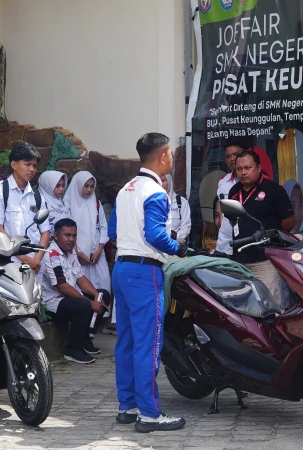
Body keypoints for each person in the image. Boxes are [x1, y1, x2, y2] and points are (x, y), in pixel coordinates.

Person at [112, 132, 187, 433]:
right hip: (145, 273)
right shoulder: (156, 192)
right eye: (171, 154)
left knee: (126, 342)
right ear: (163, 156)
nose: (172, 159)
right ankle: (150, 414)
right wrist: (178, 248)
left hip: (121, 269)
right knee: (148, 345)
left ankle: (127, 406)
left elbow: (114, 231)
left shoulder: (125, 190)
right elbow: (155, 235)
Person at [41, 218, 112, 364]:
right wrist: (90, 302)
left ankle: (85, 341)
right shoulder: (51, 254)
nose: (71, 239)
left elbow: (80, 278)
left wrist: (96, 295)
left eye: (74, 235)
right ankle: (73, 350)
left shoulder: (71, 252)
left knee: (104, 294)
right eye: (67, 235)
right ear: (56, 236)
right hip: (54, 303)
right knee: (84, 305)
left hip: (70, 298)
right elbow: (62, 286)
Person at [228, 150, 294, 301]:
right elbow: (233, 220)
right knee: (246, 305)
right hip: (240, 260)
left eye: (248, 168)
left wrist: (272, 239)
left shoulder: (274, 190)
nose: (243, 172)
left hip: (265, 260)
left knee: (270, 303)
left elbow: (289, 222)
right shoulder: (233, 191)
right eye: (239, 169)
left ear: (258, 168)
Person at [0, 141, 50, 271]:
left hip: (36, 266)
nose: (32, 169)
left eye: (34, 165)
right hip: (10, 263)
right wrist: (25, 259)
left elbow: (45, 232)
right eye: (27, 164)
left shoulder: (37, 196)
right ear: (14, 164)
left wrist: (36, 260)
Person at [64, 171, 111, 330]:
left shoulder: (96, 203)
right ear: (78, 185)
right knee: (81, 289)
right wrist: (77, 252)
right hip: (76, 255)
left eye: (92, 186)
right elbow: (65, 230)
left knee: (103, 284)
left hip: (96, 254)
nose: (89, 190)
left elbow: (103, 227)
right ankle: (83, 325)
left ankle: (97, 323)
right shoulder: (68, 203)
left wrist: (99, 249)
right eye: (86, 186)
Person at [216, 140, 247, 255]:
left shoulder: (256, 181)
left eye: (235, 154)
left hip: (249, 241)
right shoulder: (223, 182)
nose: (232, 159)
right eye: (228, 156)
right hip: (226, 241)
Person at [38, 170, 71, 235]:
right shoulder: (41, 204)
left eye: (63, 185)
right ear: (47, 186)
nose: (61, 189)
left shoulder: (64, 203)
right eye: (57, 186)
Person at [161, 174, 191, 243]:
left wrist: (172, 241)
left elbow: (186, 227)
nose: (160, 184)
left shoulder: (181, 202)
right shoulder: (152, 203)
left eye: (163, 180)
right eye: (157, 181)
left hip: (174, 245)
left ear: (169, 182)